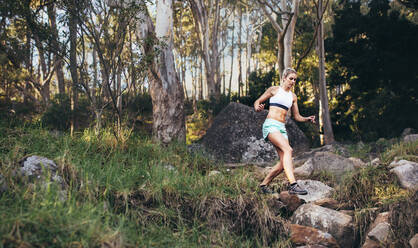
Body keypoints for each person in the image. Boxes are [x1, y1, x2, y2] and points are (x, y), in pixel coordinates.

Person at [254, 68, 316, 195]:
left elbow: (296, 116)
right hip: (271, 125)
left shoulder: (293, 97)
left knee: (283, 163)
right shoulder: (274, 90)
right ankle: (293, 184)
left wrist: (307, 119)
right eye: (291, 78)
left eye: (295, 79)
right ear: (284, 78)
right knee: (289, 150)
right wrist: (258, 108)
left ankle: (263, 185)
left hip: (282, 128)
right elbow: (258, 101)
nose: (293, 81)